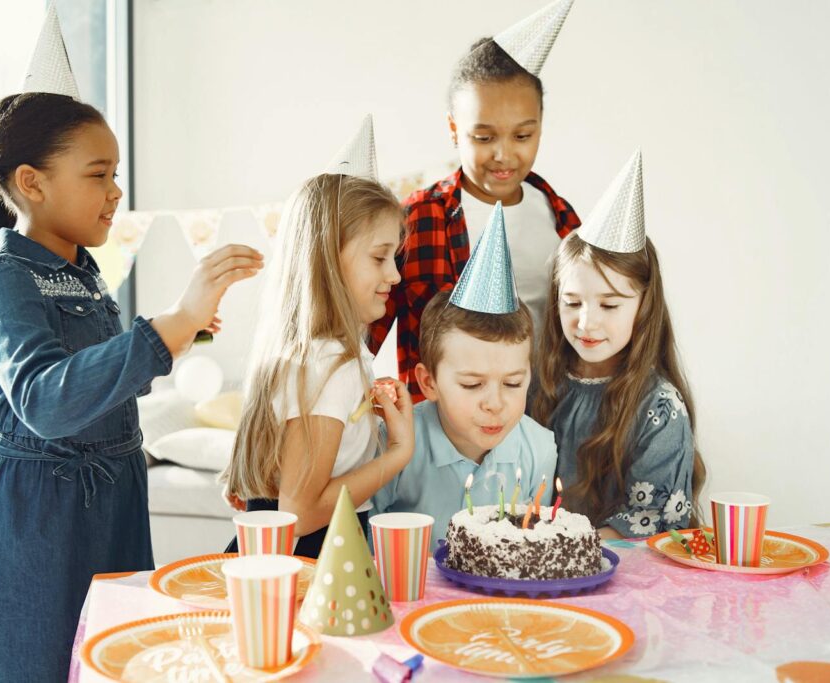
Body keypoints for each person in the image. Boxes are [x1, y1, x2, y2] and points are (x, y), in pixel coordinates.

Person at [0, 92, 262, 681]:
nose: (116, 191)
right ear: (31, 183)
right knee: (28, 655)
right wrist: (165, 328)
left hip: (112, 495)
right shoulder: (4, 280)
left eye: (115, 174)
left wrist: (179, 334)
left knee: (111, 652)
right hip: (39, 508)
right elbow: (46, 399)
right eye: (98, 175)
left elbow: (100, 385)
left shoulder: (86, 276)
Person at [220, 118, 416, 557]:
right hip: (312, 563)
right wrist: (398, 452)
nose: (395, 274)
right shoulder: (331, 362)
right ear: (328, 259)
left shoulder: (310, 354)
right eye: (380, 257)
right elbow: (301, 514)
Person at [369, 0, 581, 401]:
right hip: (442, 439)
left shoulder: (561, 219)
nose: (503, 155)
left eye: (522, 136)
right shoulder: (416, 219)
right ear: (453, 128)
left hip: (545, 422)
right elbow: (361, 335)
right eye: (483, 138)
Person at [533, 151, 706, 539]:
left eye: (609, 304)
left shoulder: (658, 408)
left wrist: (562, 549)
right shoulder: (538, 385)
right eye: (572, 302)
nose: (586, 321)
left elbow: (652, 522)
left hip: (625, 584)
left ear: (644, 304)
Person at [371, 203, 557, 545]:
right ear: (428, 382)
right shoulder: (392, 442)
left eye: (513, 383)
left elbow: (534, 546)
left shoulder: (540, 449)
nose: (495, 404)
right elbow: (356, 541)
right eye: (472, 384)